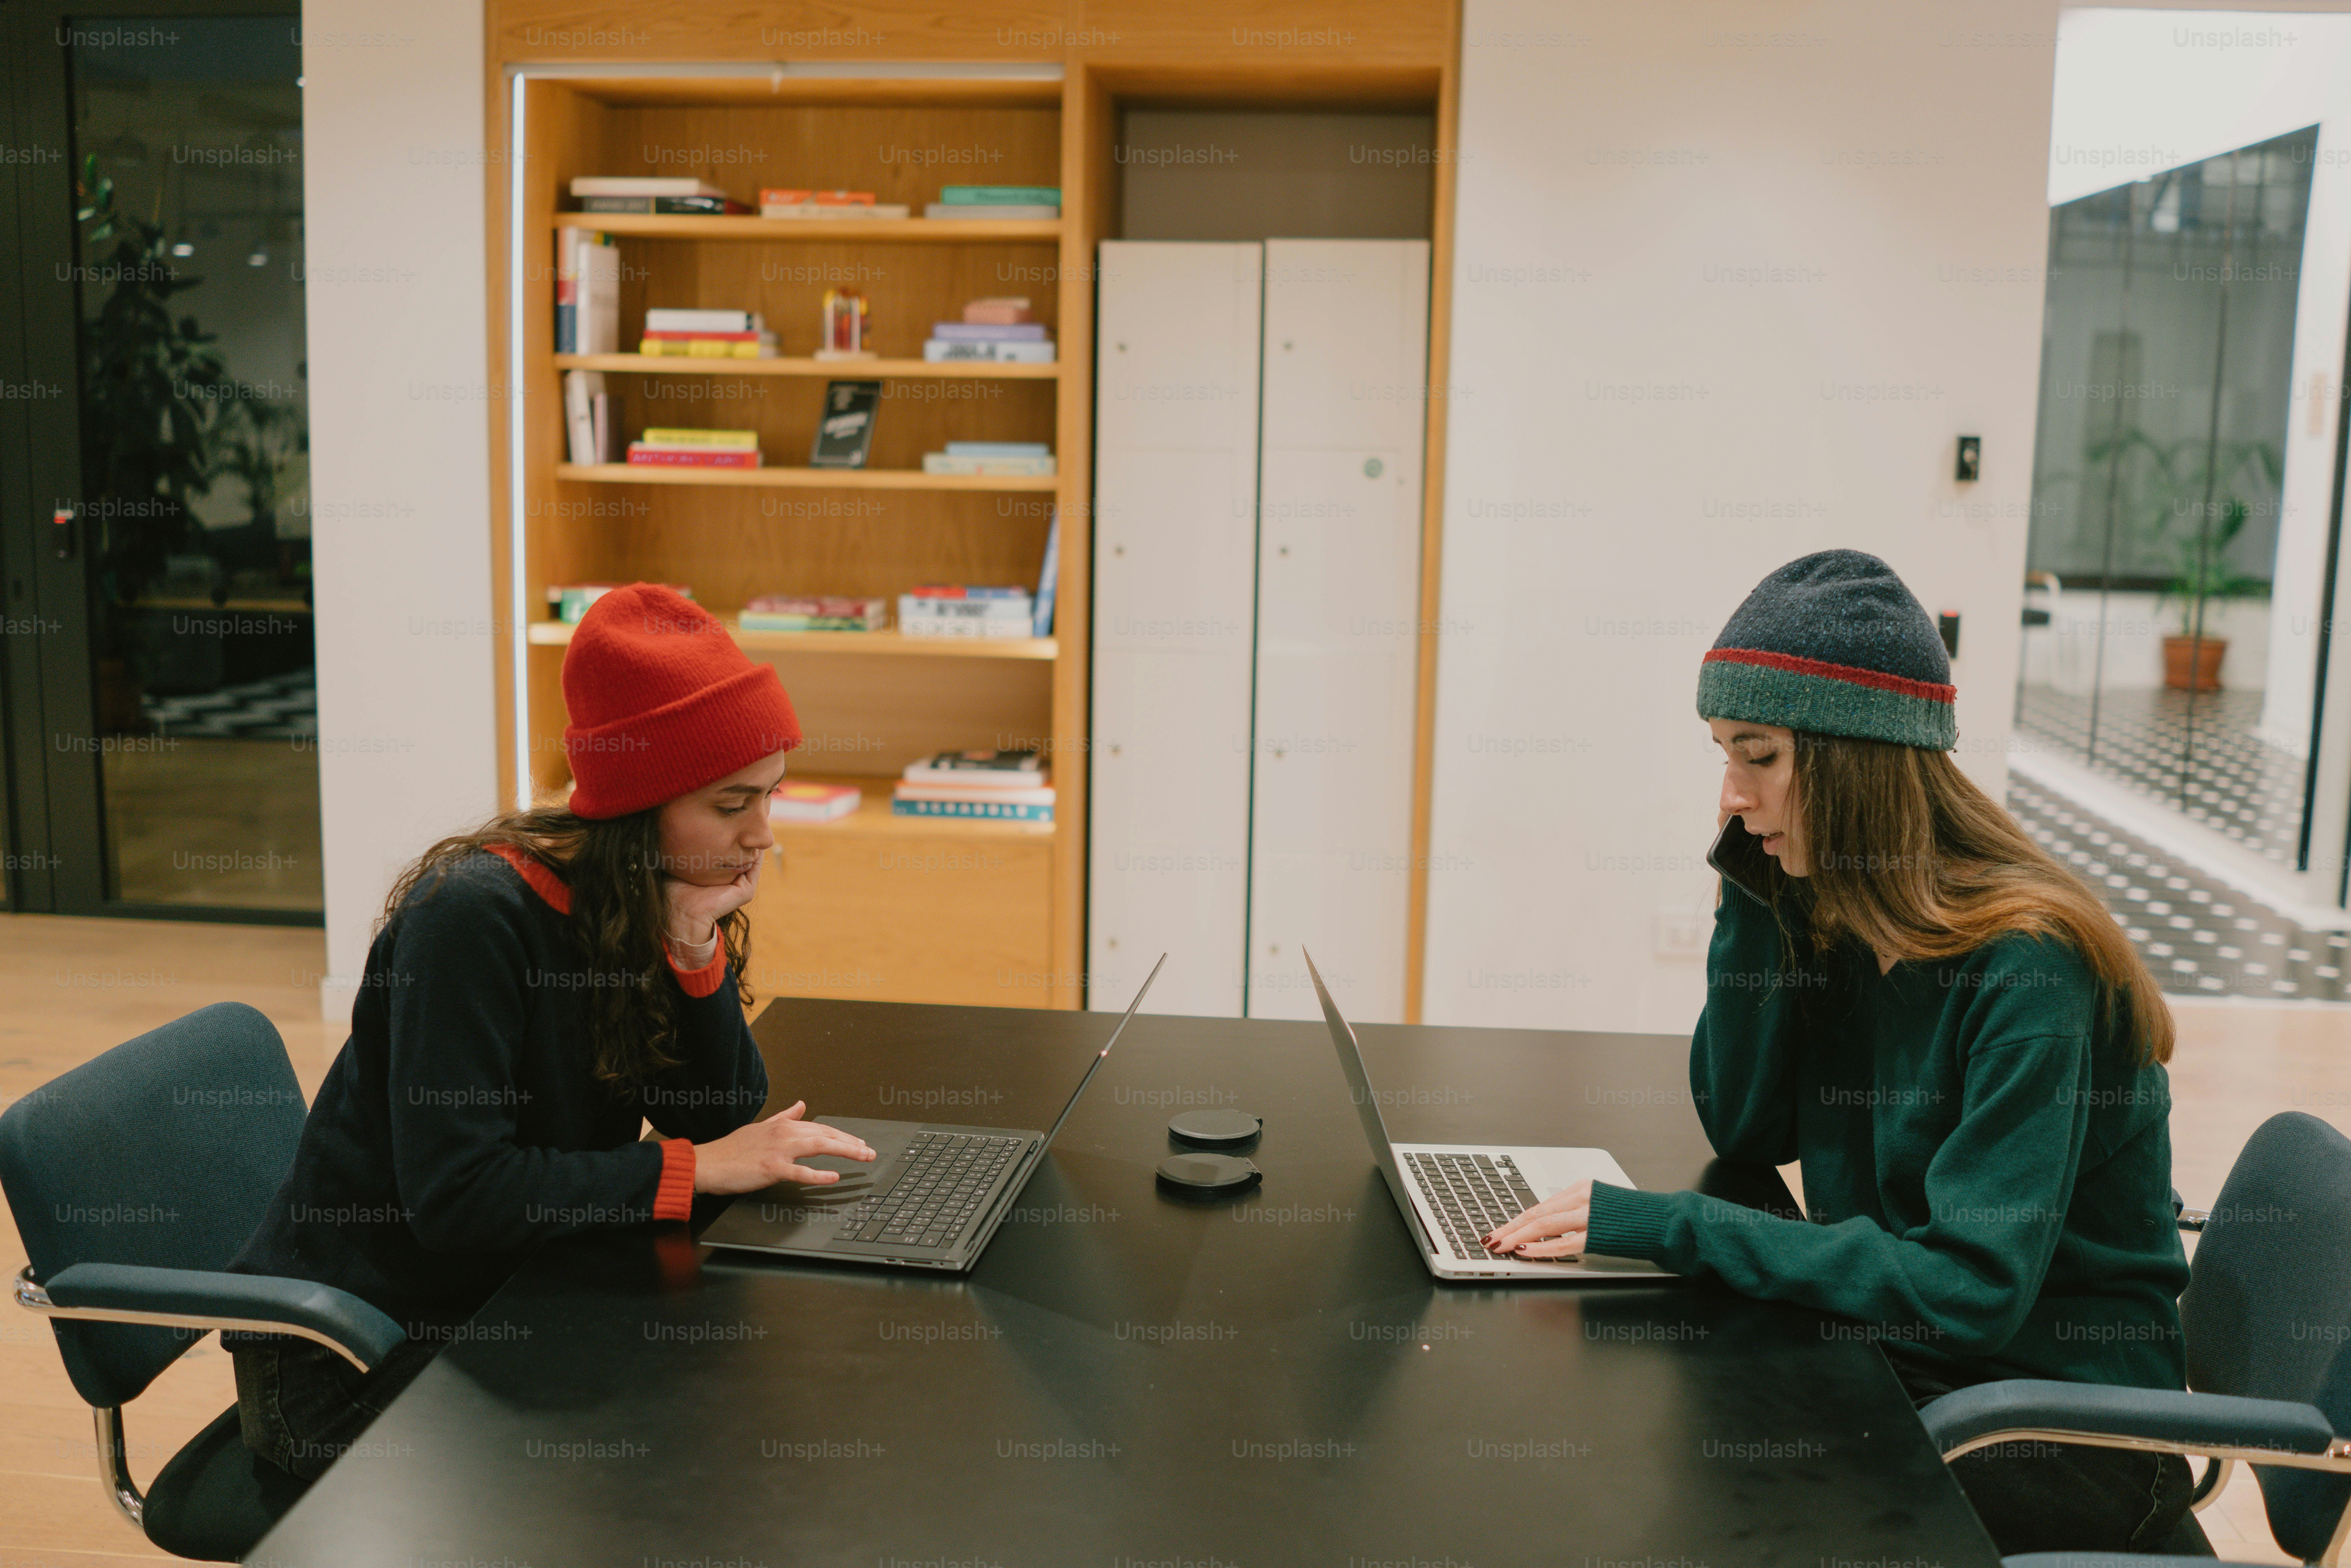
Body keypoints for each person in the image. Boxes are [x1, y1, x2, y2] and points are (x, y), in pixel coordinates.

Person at [1483, 550, 2200, 1556]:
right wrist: (1754, 884)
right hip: (1917, 1369)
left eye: (1761, 756)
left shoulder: (2032, 967)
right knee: (1659, 1435)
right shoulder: (1847, 916)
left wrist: (1675, 1228)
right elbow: (1746, 1123)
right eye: (1723, 755)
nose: (1733, 793)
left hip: (2060, 1431)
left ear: (1857, 759)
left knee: (1712, 1507)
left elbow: (1969, 1291)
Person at [225, 583, 876, 1480]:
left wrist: (691, 948)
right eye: (732, 806)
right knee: (679, 1466)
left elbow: (715, 1109)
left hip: (510, 1294)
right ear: (643, 806)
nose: (763, 836)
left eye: (769, 798)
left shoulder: (639, 898)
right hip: (349, 1357)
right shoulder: (472, 921)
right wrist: (692, 1170)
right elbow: (459, 1196)